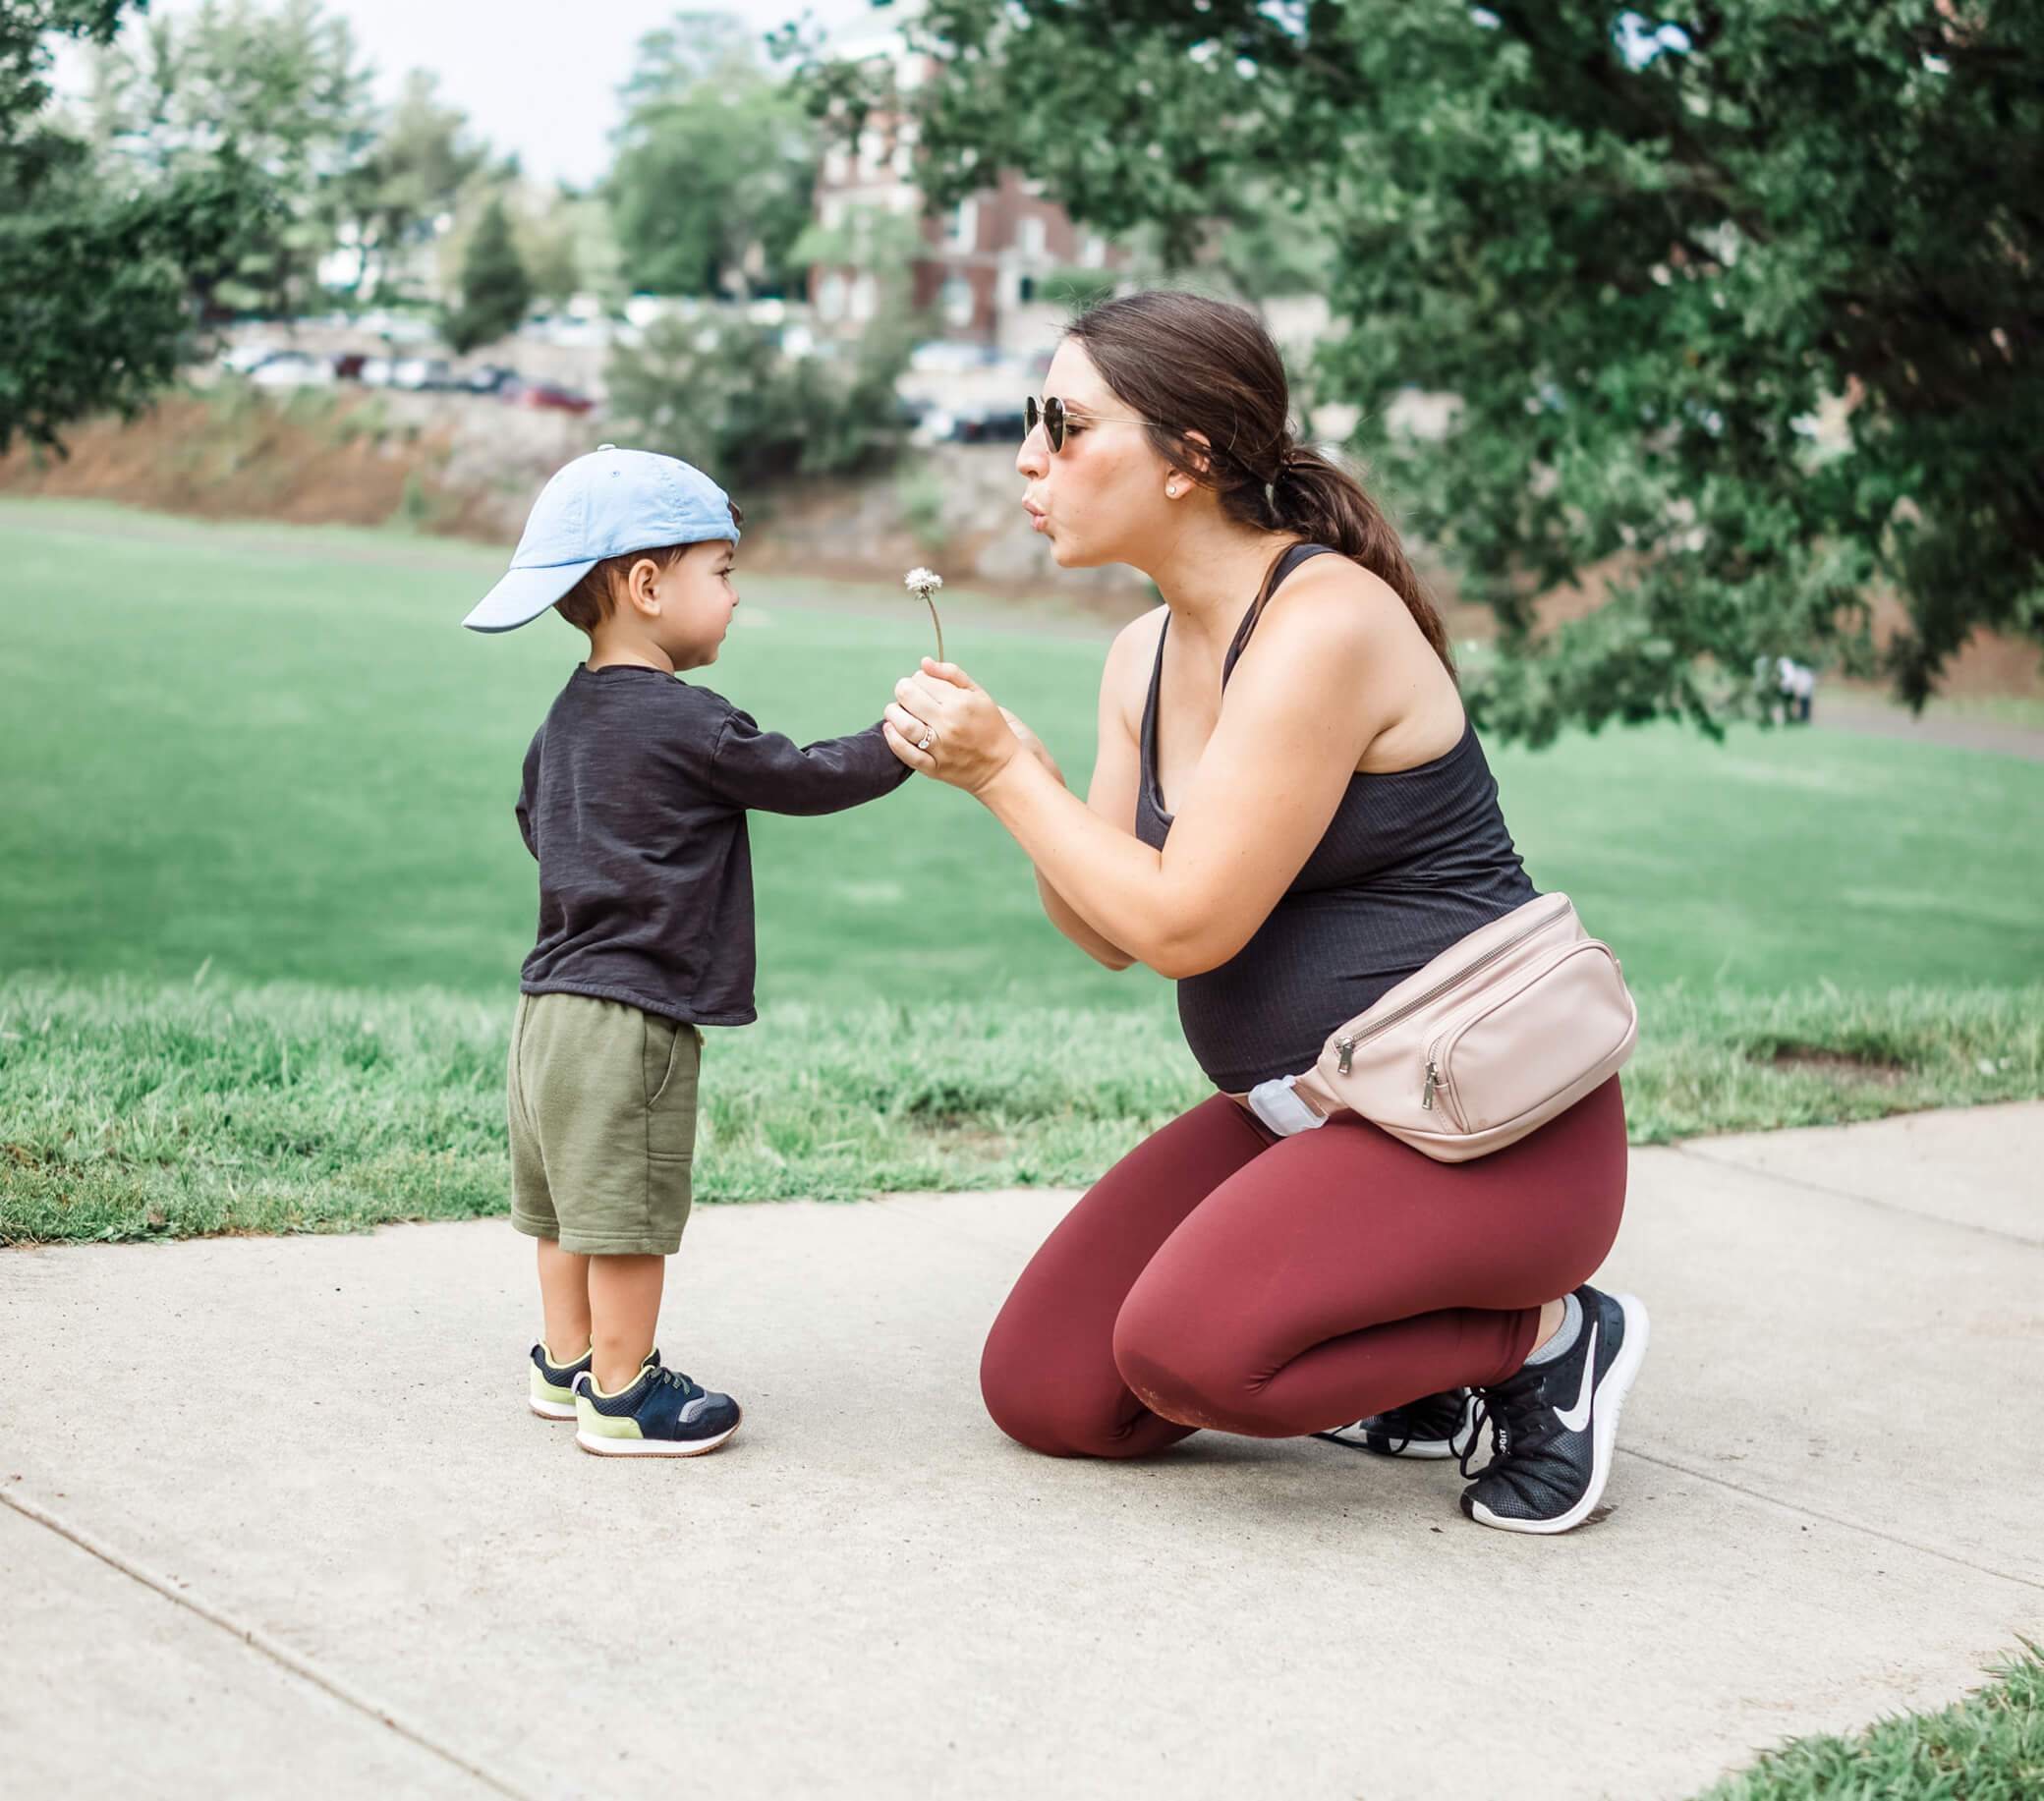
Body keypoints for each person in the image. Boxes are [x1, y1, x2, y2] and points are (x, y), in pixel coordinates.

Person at [882, 293, 1647, 1534]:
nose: (1029, 455)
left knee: (1194, 1353)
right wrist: (1015, 778)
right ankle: (1412, 1355)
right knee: (1051, 1394)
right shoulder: (1142, 651)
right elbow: (1110, 933)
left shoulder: (1324, 623)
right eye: (1033, 420)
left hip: (1483, 1130)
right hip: (1314, 1118)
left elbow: (1189, 930)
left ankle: (1541, 1341)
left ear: (1186, 457)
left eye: (1065, 424)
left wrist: (1005, 776)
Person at [464, 446, 911, 1457]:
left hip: (546, 1010)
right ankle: (624, 1394)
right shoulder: (691, 722)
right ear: (647, 585)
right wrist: (901, 739)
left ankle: (565, 1362)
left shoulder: (565, 716)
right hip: (632, 1014)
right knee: (625, 1212)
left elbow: (537, 819)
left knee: (561, 1204)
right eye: (722, 571)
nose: (736, 596)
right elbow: (800, 776)